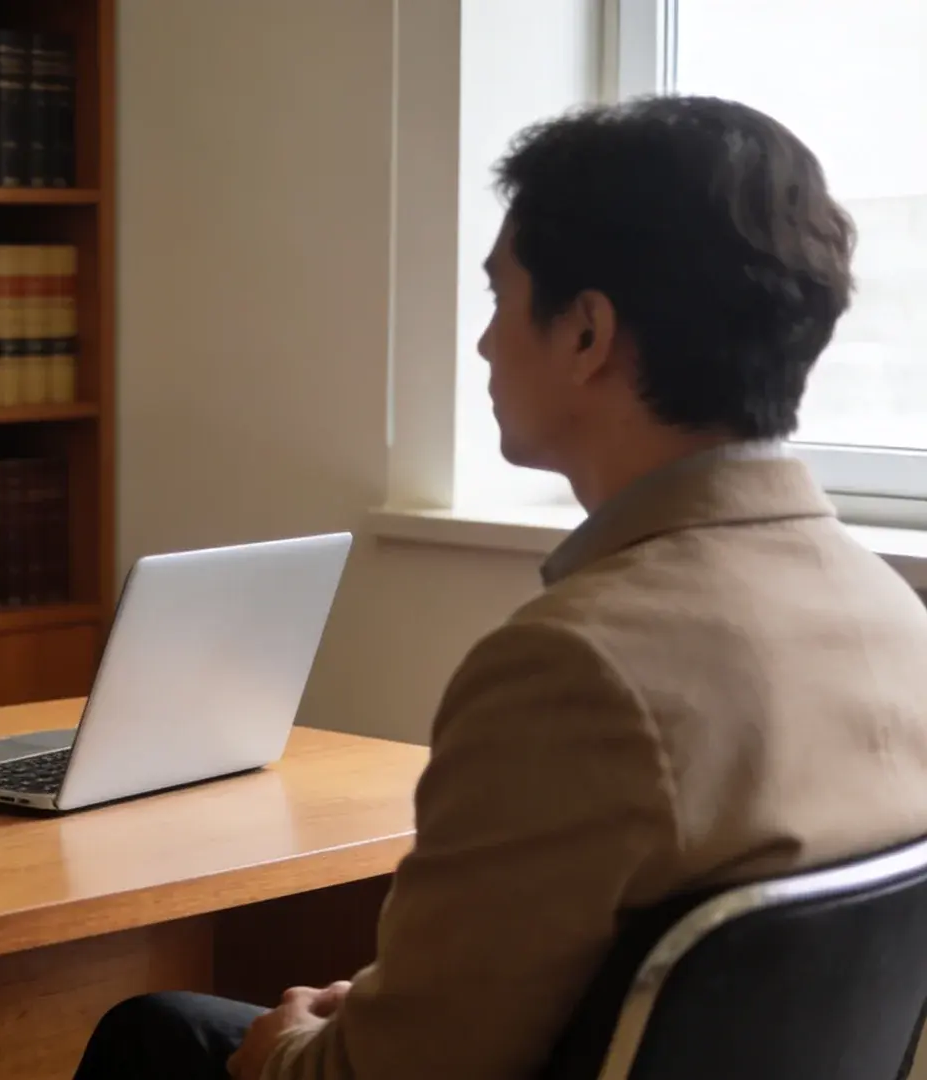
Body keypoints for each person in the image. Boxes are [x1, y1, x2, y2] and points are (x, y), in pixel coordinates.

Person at [74, 94, 927, 1079]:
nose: (483, 342)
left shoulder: (575, 666)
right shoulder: (894, 617)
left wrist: (287, 1051)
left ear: (585, 333)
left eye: (499, 296)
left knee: (160, 1035)